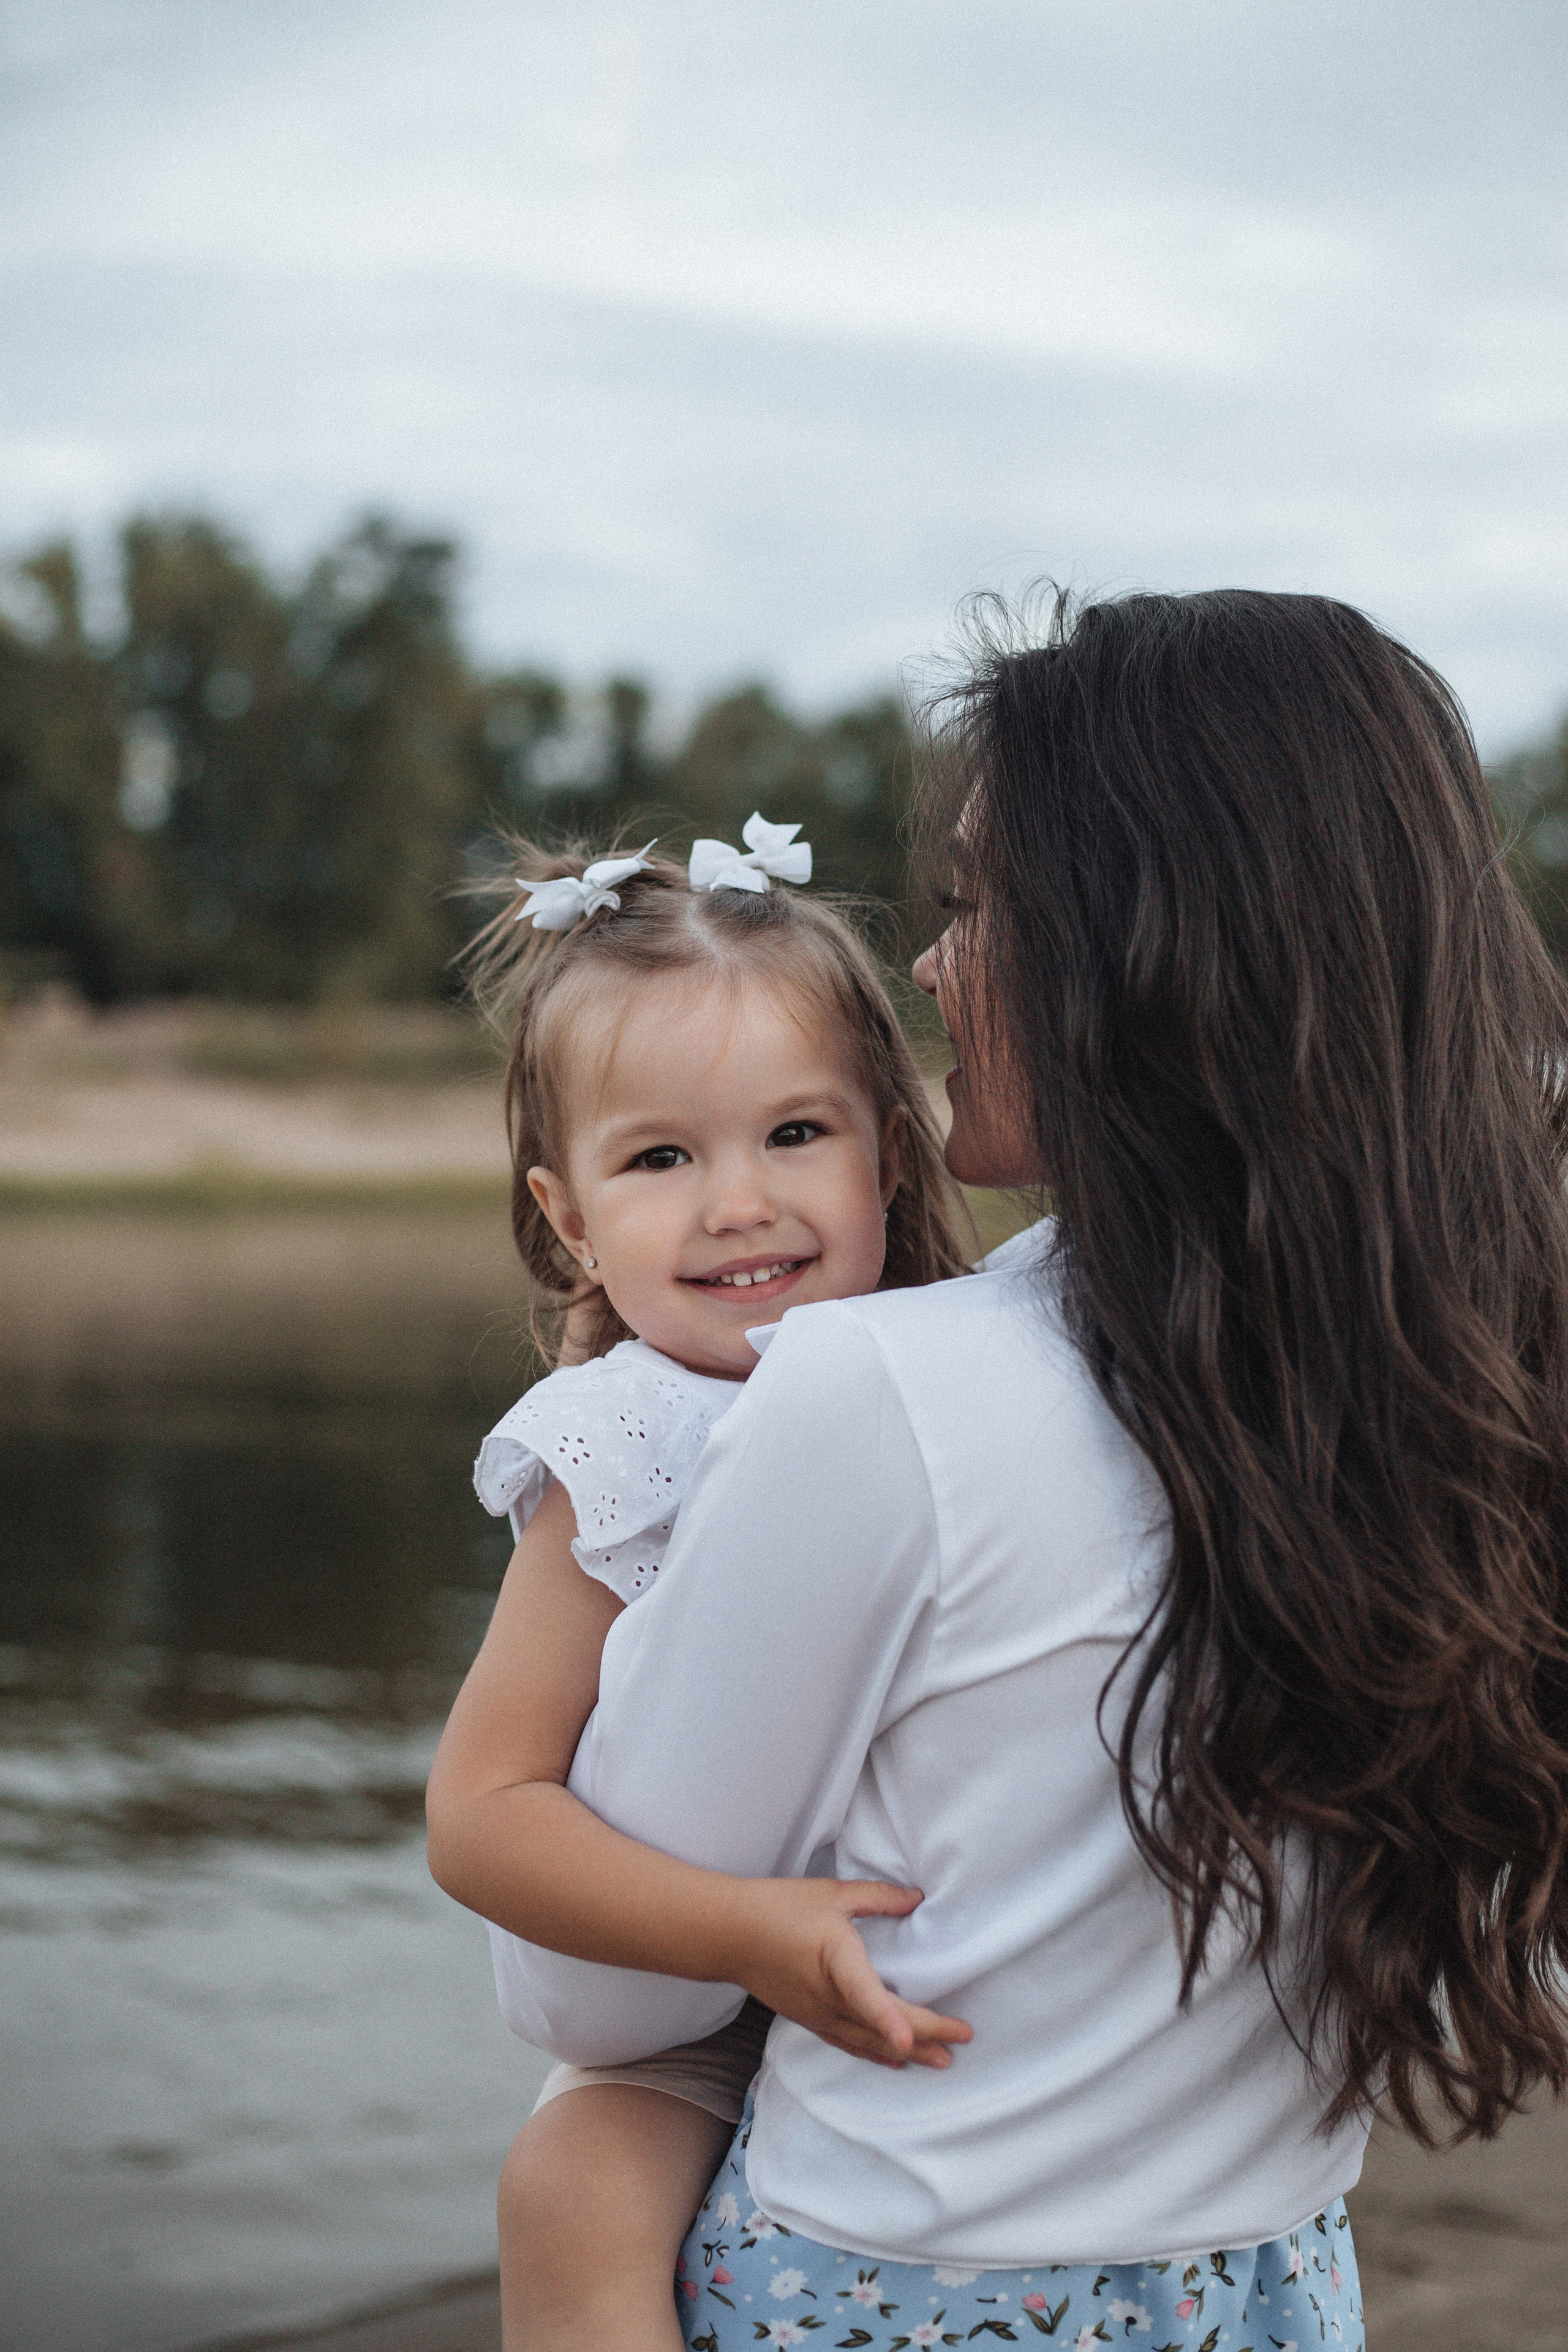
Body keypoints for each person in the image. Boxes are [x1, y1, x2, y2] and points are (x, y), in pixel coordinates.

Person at [431, 591, 1568, 2352]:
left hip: (895, 2285)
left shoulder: (883, 1393)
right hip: (1265, 2280)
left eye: (974, 908)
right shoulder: (1459, 1393)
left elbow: (591, 1993)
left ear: (1149, 945)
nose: (934, 973)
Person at [427, 826, 974, 2352]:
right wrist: (732, 1932)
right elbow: (481, 1812)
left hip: (914, 1955)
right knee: (571, 2192)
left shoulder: (958, 1369)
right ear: (568, 1216)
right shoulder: (622, 1436)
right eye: (661, 1157)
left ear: (886, 1139)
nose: (737, 1202)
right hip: (680, 1995)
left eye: (794, 1133)